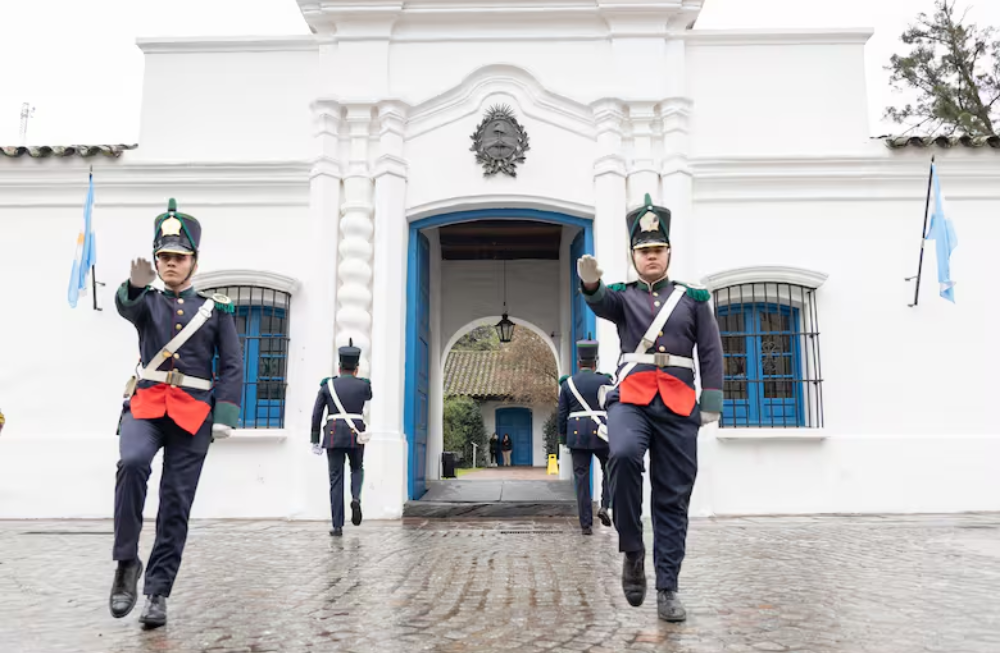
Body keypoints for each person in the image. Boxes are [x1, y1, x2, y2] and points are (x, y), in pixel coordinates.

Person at [577, 193, 723, 622]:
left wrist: (710, 399)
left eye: (657, 250)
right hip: (632, 397)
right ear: (633, 256)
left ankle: (668, 588)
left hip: (679, 402)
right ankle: (633, 551)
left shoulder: (692, 299)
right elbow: (602, 302)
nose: (651, 257)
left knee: (673, 498)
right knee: (621, 455)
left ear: (668, 253)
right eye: (644, 252)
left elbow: (711, 352)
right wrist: (590, 285)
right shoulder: (624, 297)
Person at [110, 199, 243, 629]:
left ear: (193, 262)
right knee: (131, 464)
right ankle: (126, 563)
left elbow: (232, 364)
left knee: (175, 503)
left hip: (193, 415)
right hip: (146, 405)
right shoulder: (146, 301)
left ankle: (157, 593)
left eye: (178, 257)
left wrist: (224, 412)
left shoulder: (214, 308)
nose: (170, 264)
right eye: (163, 257)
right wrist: (132, 285)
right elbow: (127, 307)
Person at [311, 339, 371, 536]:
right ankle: (356, 497)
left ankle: (337, 526)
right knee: (356, 468)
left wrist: (314, 438)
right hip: (356, 433)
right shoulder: (363, 386)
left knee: (335, 479)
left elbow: (317, 413)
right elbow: (368, 397)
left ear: (339, 366)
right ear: (357, 367)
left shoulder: (327, 386)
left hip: (333, 433)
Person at [557, 336, 614, 535]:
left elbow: (562, 415)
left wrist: (563, 439)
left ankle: (585, 525)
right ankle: (605, 506)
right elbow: (612, 406)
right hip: (601, 432)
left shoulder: (567, 384)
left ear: (579, 363)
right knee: (609, 471)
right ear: (595, 361)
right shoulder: (605, 380)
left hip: (577, 434)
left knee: (581, 479)